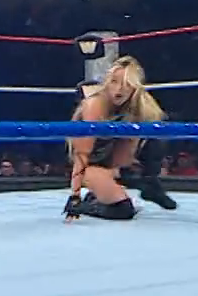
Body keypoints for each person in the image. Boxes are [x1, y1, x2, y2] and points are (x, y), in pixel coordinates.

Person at [63, 55, 176, 222]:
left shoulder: (139, 106)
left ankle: (148, 183)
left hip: (113, 162)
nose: (119, 89)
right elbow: (81, 154)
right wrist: (75, 196)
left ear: (134, 87)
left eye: (126, 84)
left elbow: (128, 150)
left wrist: (135, 172)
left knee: (156, 127)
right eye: (114, 82)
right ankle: (87, 204)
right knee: (123, 209)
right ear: (107, 83)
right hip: (89, 165)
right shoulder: (94, 106)